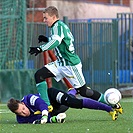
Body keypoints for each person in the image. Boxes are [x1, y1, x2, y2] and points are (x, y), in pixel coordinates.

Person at [29, 6, 123, 114]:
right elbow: (62, 40)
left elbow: (56, 42)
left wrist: (40, 48)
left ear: (54, 17)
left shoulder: (58, 26)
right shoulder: (58, 26)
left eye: (46, 18)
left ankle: (112, 103)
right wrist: (47, 39)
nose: (44, 20)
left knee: (84, 91)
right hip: (60, 63)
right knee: (39, 75)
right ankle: (47, 105)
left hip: (70, 65)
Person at [7, 87, 118, 124]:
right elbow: (39, 120)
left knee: (74, 103)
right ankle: (72, 91)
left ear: (22, 103)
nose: (24, 112)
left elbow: (41, 104)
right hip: (53, 110)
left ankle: (109, 109)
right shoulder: (21, 119)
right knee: (67, 105)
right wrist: (53, 119)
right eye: (20, 113)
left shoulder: (29, 98)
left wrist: (45, 115)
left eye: (23, 109)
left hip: (51, 95)